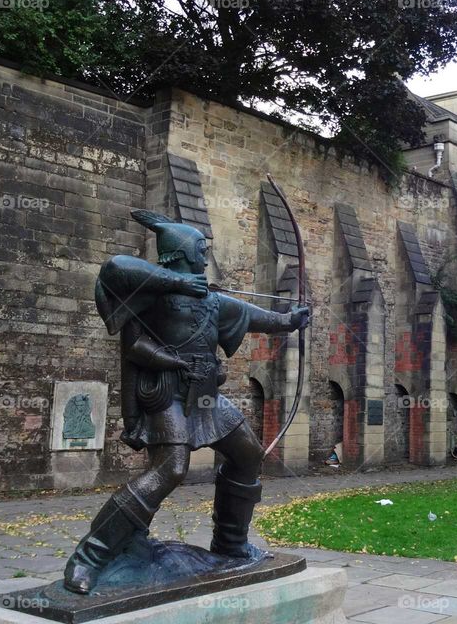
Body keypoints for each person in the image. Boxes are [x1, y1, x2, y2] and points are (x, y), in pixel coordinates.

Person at [62, 210, 310, 594]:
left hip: (205, 395)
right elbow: (114, 268)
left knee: (247, 454)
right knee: (171, 469)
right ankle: (90, 557)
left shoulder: (209, 300)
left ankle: (230, 545)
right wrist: (178, 283)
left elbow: (248, 314)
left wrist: (289, 320)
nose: (203, 257)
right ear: (180, 253)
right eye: (199, 249)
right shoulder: (151, 293)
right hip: (166, 393)